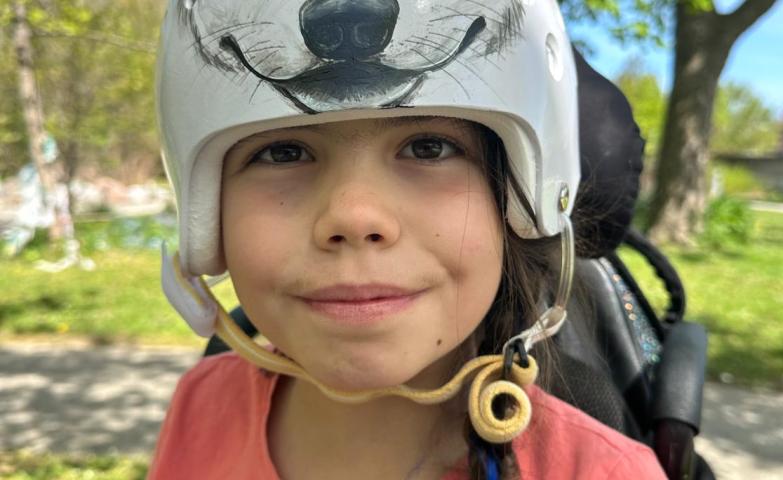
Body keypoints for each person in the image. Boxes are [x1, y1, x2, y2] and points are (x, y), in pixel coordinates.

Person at [149, 0, 667, 478]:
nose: (353, 216)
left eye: (428, 147)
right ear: (206, 215)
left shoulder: (605, 470)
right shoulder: (200, 404)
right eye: (283, 153)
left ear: (521, 202)